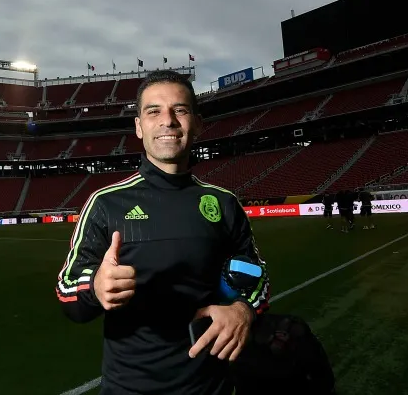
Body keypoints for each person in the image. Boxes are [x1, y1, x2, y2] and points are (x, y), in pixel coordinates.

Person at [55, 70, 271, 394]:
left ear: (197, 123)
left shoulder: (224, 204)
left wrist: (244, 309)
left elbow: (257, 275)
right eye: (153, 111)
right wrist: (96, 286)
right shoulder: (106, 203)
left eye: (179, 110)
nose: (167, 121)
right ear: (139, 127)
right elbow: (67, 290)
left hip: (212, 388)